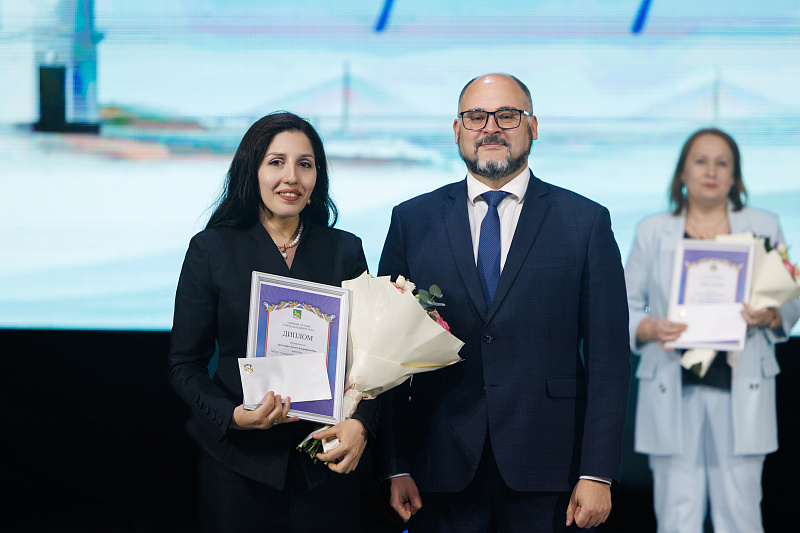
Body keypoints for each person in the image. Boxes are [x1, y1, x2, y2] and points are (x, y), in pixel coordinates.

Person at [374, 73, 631, 532]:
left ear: (533, 126)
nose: (491, 127)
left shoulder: (586, 222)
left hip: (552, 470)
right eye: (476, 116)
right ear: (457, 130)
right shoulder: (412, 221)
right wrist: (394, 465)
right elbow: (385, 354)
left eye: (507, 115)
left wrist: (597, 472)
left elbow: (609, 360)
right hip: (439, 464)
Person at [167, 112, 378, 533]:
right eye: (276, 162)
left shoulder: (345, 250)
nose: (291, 177)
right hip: (238, 466)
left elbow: (371, 362)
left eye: (305, 164)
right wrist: (233, 416)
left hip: (325, 463)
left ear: (318, 176)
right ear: (253, 170)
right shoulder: (212, 250)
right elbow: (184, 365)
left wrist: (362, 425)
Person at [625, 128, 800, 533]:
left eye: (722, 163)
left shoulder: (764, 225)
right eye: (701, 161)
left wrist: (769, 316)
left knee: (740, 513)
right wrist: (651, 326)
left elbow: (789, 299)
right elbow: (623, 307)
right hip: (672, 380)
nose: (711, 171)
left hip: (741, 380)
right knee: (676, 515)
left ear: (735, 176)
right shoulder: (652, 230)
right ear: (682, 172)